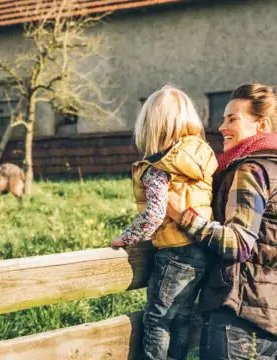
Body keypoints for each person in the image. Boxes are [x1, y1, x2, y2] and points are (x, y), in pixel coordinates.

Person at [167, 82, 277, 359]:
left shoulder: (251, 169)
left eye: (232, 119)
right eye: (223, 118)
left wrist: (183, 217)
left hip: (239, 320)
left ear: (261, 125)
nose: (222, 127)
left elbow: (239, 244)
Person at [111, 85, 218, 360]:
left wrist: (127, 236)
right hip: (203, 246)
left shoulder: (160, 167)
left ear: (151, 126)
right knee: (180, 318)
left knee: (157, 319)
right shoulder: (200, 157)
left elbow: (155, 213)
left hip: (175, 251)